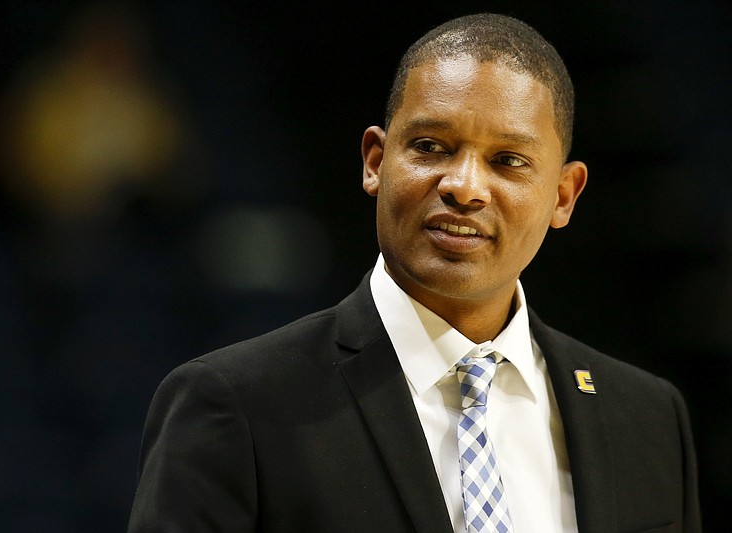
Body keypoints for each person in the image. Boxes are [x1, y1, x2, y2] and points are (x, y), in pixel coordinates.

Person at [128, 13, 700, 533]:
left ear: (563, 195)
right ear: (375, 161)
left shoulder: (648, 418)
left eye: (508, 161)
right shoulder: (237, 403)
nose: (465, 187)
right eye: (431, 146)